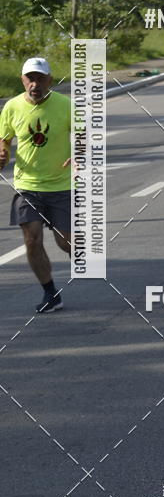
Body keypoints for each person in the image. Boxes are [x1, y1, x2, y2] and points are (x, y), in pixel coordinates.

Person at [0, 58, 71, 312]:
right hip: (27, 185)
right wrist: (3, 152)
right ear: (22, 80)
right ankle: (51, 293)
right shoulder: (12, 107)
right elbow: (4, 138)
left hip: (61, 185)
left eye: (40, 79)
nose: (35, 84)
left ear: (50, 81)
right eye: (30, 78)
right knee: (32, 240)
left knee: (66, 243)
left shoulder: (65, 105)